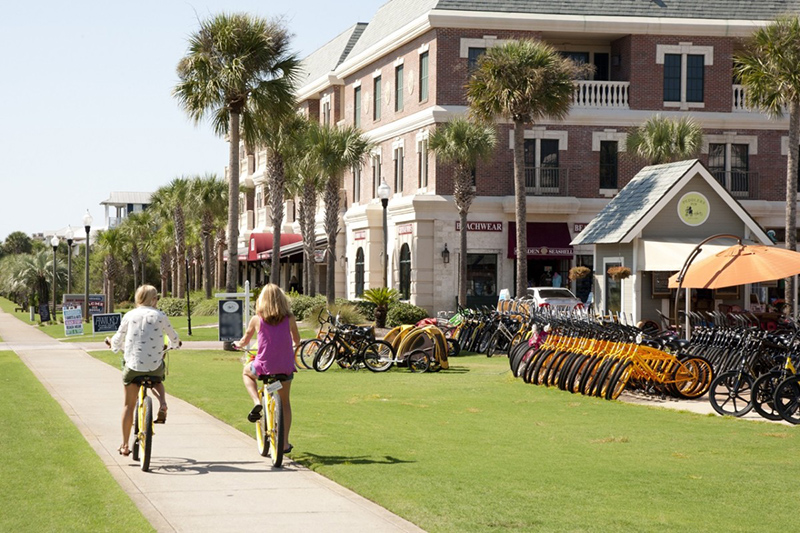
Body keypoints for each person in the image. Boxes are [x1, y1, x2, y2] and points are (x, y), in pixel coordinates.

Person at [106, 285, 181, 457]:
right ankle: (162, 402)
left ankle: (125, 445)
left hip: (133, 367)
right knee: (158, 378)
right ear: (153, 299)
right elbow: (174, 337)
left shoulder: (129, 315)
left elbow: (118, 339)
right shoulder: (160, 315)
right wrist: (174, 345)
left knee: (128, 405)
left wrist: (113, 345)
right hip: (154, 366)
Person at [233, 283, 300, 454]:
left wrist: (237, 344)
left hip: (263, 367)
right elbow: (297, 341)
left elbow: (244, 341)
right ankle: (284, 443)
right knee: (285, 403)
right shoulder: (290, 318)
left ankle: (256, 401)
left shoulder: (257, 319)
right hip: (285, 368)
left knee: (246, 373)